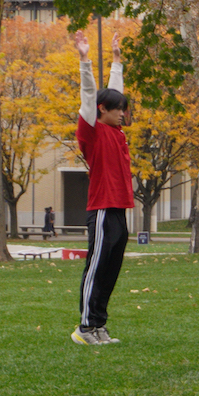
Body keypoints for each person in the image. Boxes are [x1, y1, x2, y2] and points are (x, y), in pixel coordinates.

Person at [72, 32, 131, 346]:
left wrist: (117, 60)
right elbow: (90, 94)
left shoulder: (116, 131)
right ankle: (84, 328)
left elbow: (113, 92)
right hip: (102, 208)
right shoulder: (92, 130)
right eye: (117, 108)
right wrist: (85, 60)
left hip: (119, 207)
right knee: (96, 268)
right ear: (101, 110)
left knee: (110, 270)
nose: (122, 112)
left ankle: (99, 326)